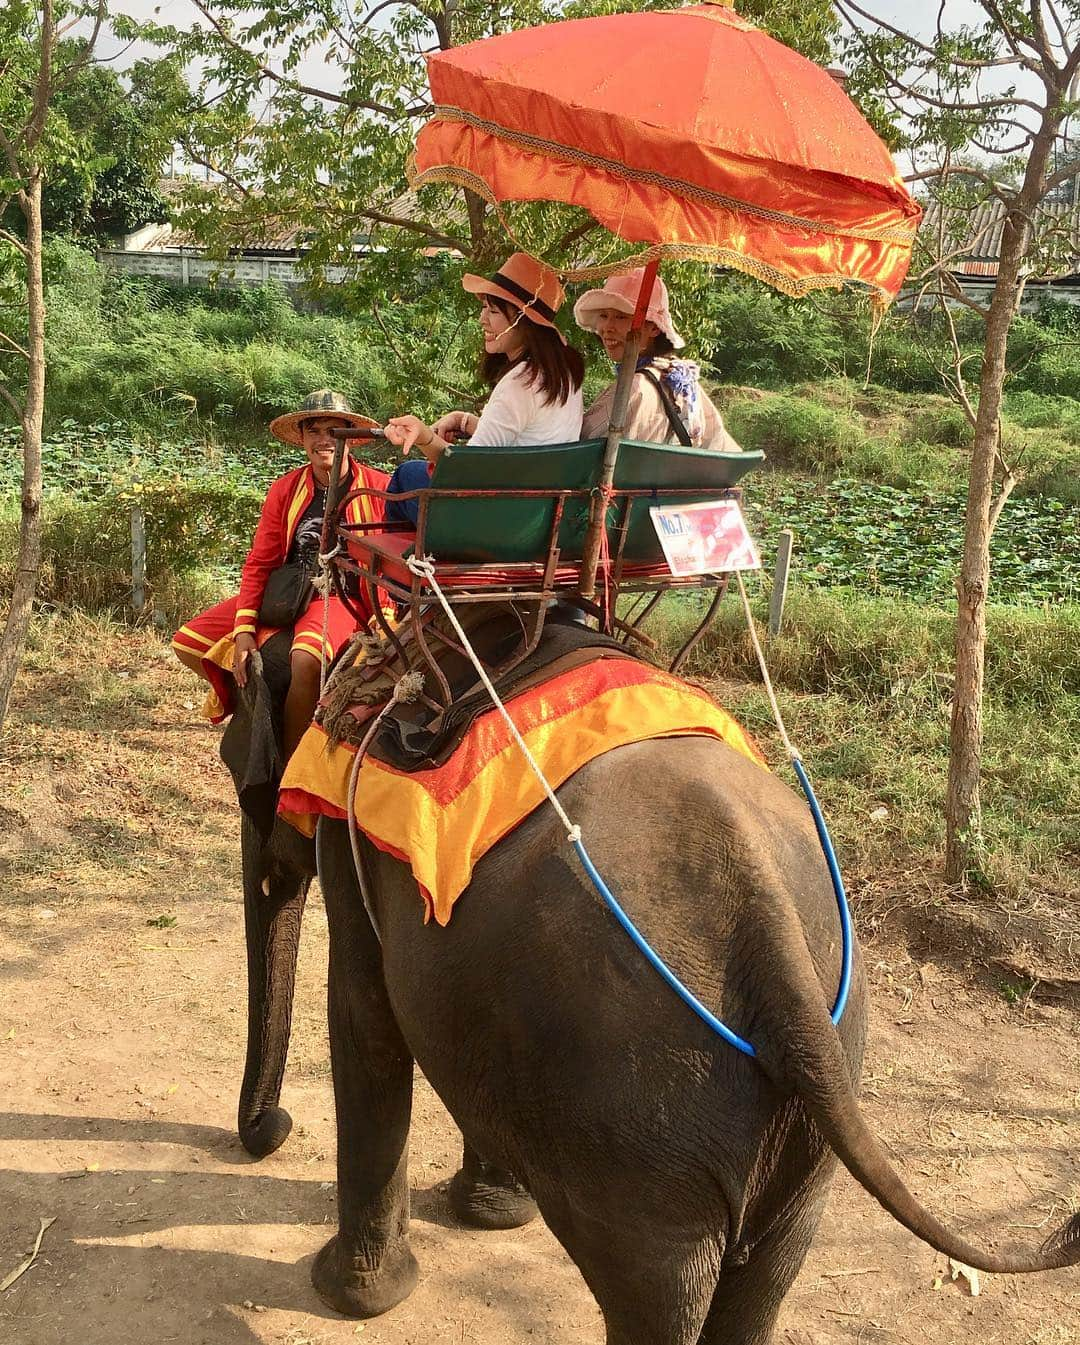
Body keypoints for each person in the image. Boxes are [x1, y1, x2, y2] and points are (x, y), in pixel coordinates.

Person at [172, 390, 390, 758]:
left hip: (340, 596)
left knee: (305, 660)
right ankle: (250, 703)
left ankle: (292, 766)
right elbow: (261, 561)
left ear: (350, 437)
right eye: (314, 430)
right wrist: (243, 631)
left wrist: (382, 616)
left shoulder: (379, 487)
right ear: (303, 439)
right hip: (288, 590)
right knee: (188, 643)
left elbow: (392, 561)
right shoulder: (287, 488)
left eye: (334, 430)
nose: (324, 440)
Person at [381, 252, 585, 522]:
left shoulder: (519, 383)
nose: (482, 320)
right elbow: (520, 444)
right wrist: (463, 420)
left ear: (524, 322)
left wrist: (423, 436)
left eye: (493, 311)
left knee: (406, 475)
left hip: (495, 521)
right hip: (539, 517)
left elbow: (466, 472)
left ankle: (416, 561)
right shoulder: (565, 376)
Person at [573, 269, 742, 452]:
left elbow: (577, 451)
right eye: (604, 316)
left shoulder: (633, 388)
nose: (607, 327)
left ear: (653, 328)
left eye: (621, 317)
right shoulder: (681, 379)